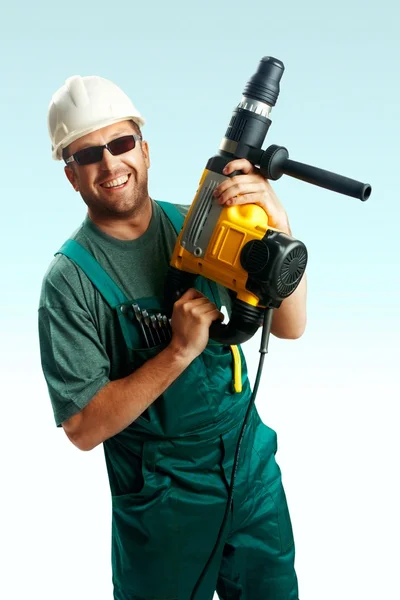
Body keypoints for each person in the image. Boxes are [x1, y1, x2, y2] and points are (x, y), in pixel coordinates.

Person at [39, 74, 307, 600]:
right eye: (89, 154)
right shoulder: (70, 280)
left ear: (144, 149)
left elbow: (292, 327)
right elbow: (82, 428)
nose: (111, 164)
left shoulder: (200, 225)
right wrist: (179, 351)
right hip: (164, 496)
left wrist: (280, 223)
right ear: (72, 176)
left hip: (248, 468)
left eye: (120, 144)